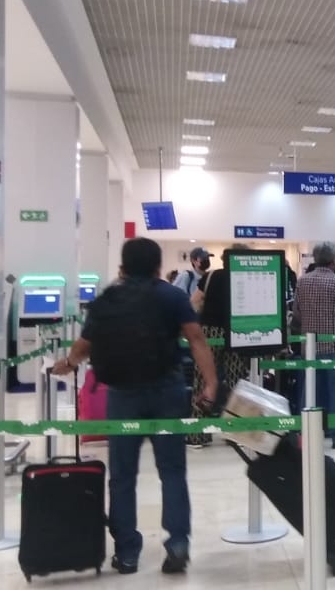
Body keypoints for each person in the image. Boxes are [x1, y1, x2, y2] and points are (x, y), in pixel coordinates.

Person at [51, 237, 218, 576]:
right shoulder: (172, 295)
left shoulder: (107, 300)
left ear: (122, 268)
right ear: (158, 266)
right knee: (172, 471)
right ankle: (178, 544)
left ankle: (127, 552)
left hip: (123, 394)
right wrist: (211, 382)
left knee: (123, 476)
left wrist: (67, 363)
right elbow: (196, 339)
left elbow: (84, 345)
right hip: (168, 390)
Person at [186, 244, 254, 447]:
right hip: (237, 332)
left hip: (210, 333)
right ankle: (236, 433)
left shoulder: (210, 276)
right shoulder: (246, 278)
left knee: (203, 379)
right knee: (237, 381)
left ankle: (198, 434)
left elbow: (194, 302)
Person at [294, 242, 335, 449]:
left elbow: (296, 313)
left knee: (310, 391)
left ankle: (308, 433)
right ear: (334, 260)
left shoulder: (302, 281)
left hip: (310, 346)